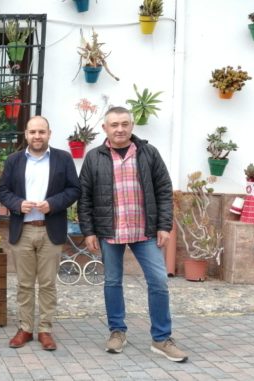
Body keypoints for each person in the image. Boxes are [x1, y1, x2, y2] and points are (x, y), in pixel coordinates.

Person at [78, 106, 188, 362]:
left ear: (132, 126)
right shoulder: (94, 157)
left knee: (158, 281)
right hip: (109, 231)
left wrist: (164, 225)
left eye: (124, 123)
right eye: (114, 124)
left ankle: (161, 338)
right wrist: (89, 231)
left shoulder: (148, 153)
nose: (120, 129)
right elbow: (85, 198)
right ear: (105, 128)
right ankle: (117, 331)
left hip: (144, 230)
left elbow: (163, 189)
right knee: (112, 282)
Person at [0, 116, 80, 351]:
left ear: (49, 133)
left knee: (47, 284)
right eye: (32, 132)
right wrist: (17, 203)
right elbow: (2, 190)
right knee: (24, 284)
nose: (37, 136)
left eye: (41, 132)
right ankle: (25, 328)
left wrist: (52, 204)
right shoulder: (14, 160)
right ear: (26, 134)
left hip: (50, 230)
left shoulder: (62, 158)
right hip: (22, 230)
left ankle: (45, 329)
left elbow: (74, 189)